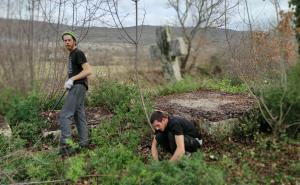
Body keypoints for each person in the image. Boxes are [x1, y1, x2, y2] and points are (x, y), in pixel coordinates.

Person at [59, 31, 92, 156]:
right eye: (65, 40)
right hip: (78, 87)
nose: (67, 42)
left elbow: (88, 70)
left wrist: (72, 79)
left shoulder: (78, 53)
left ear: (74, 41)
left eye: (69, 40)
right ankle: (84, 143)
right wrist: (70, 81)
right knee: (79, 115)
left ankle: (66, 148)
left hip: (78, 86)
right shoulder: (71, 55)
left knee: (64, 115)